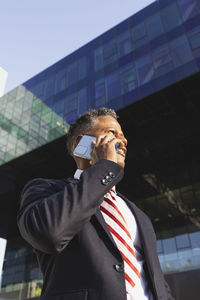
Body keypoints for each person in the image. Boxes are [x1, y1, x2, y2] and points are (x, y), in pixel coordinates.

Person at [17, 107, 174, 300]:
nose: (123, 141)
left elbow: (158, 281)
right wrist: (105, 167)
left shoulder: (138, 215)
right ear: (81, 143)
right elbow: (49, 233)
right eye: (111, 133)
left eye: (123, 136)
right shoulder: (46, 190)